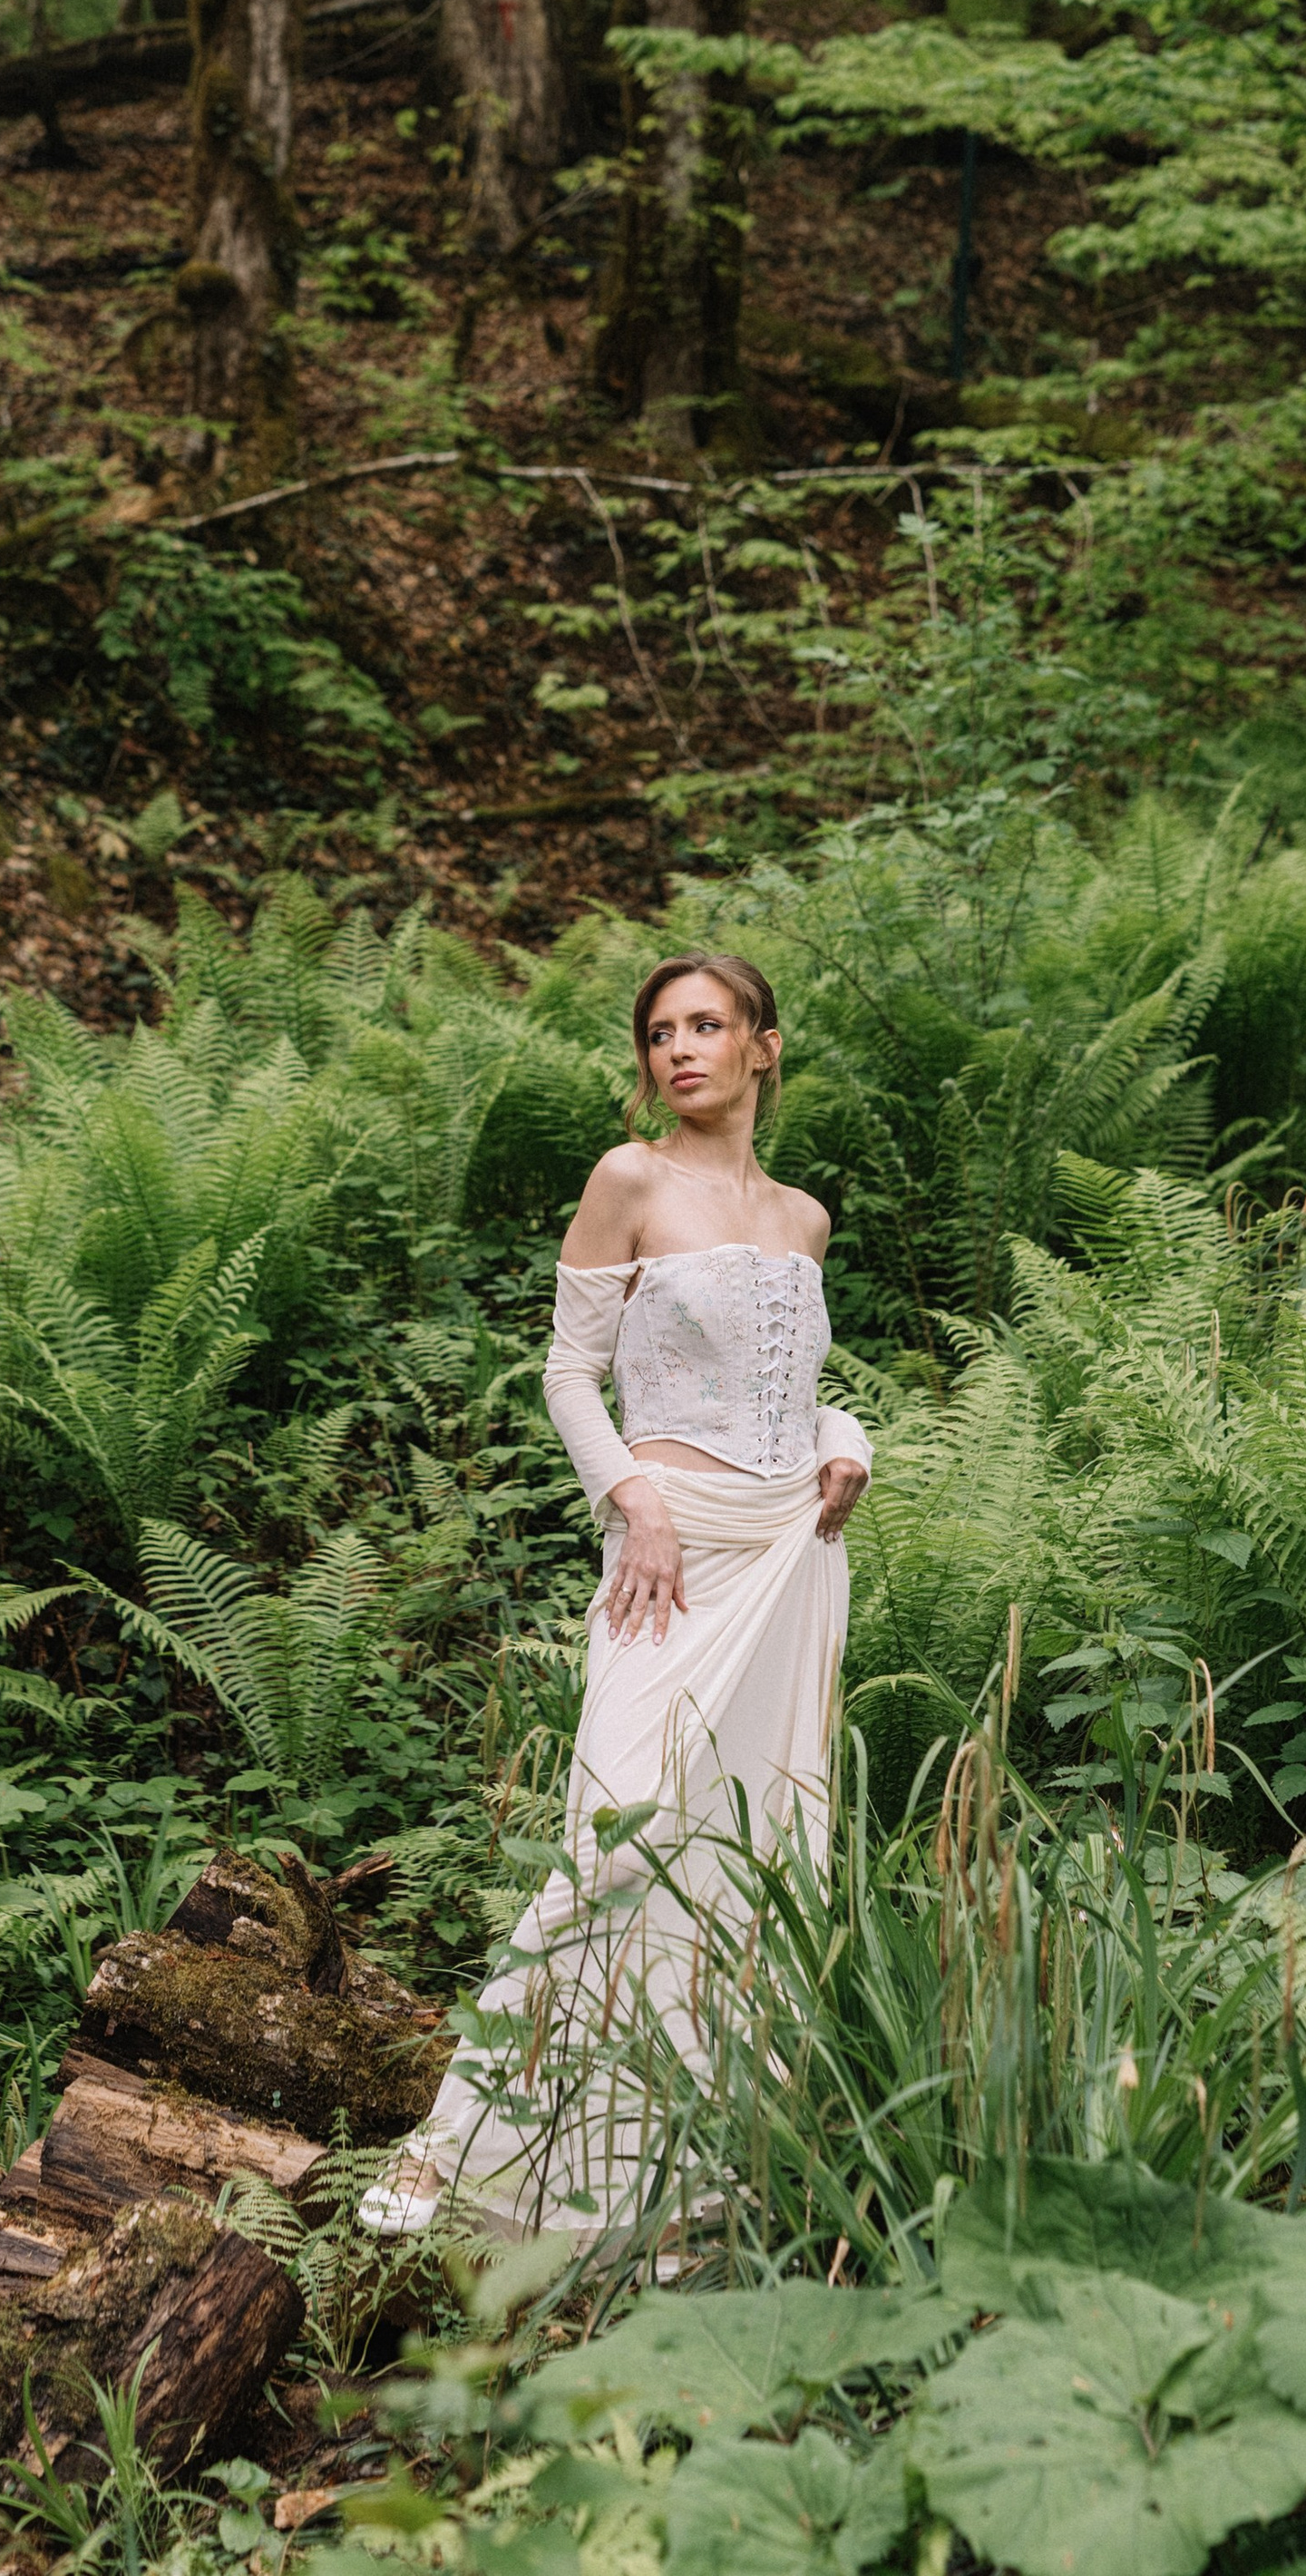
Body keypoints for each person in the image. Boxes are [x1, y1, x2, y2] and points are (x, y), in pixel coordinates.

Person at [360, 951, 872, 2236]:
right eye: (658, 1033)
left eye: (706, 1025)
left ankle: (696, 2178)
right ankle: (454, 2150)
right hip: (671, 1552)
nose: (679, 1049)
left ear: (762, 1045)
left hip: (788, 1553)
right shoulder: (628, 1180)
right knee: (619, 1832)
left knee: (752, 1850)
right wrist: (633, 1502)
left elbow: (794, 1390)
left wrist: (847, 1440)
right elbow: (567, 1373)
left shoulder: (805, 1219)